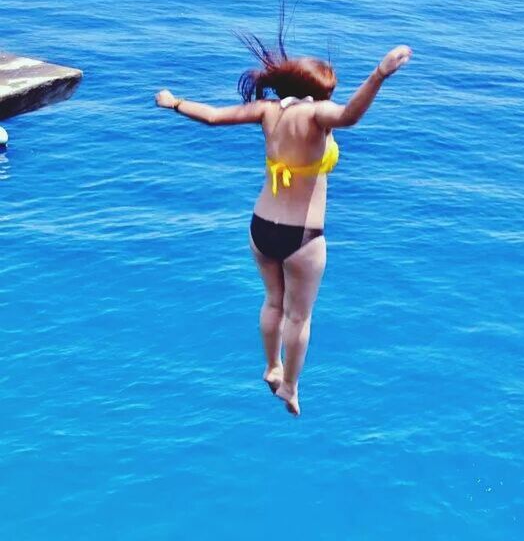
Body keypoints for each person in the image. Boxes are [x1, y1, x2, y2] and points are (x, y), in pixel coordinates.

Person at [154, 21, 412, 417]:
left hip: (261, 227)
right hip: (302, 236)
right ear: (316, 91)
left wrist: (173, 102)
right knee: (299, 315)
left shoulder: (267, 110)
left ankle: (271, 365)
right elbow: (350, 116)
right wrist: (379, 74)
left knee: (273, 301)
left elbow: (212, 116)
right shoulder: (318, 114)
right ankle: (289, 386)